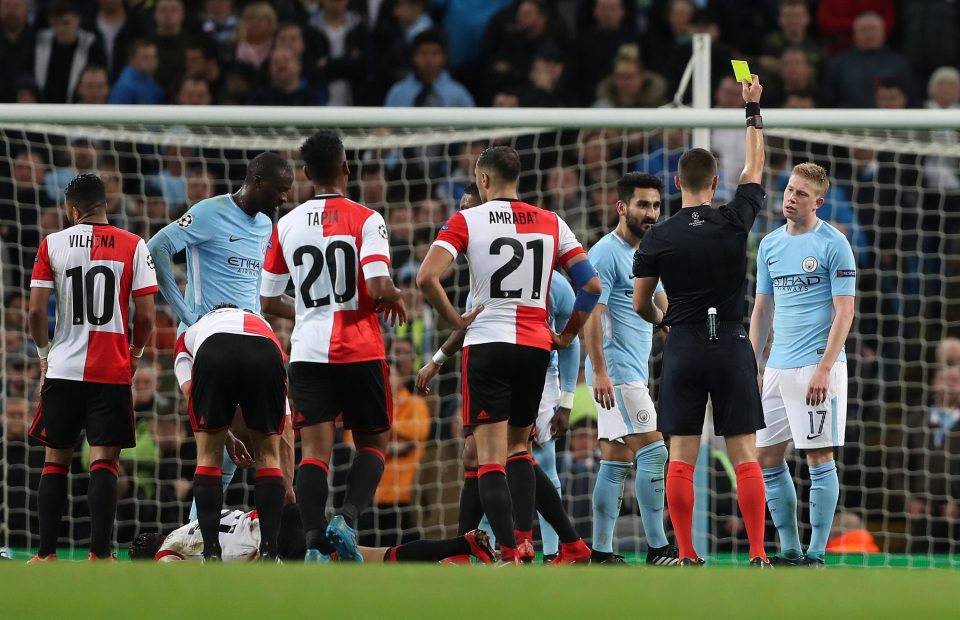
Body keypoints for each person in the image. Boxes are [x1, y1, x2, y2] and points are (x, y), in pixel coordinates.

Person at [416, 146, 601, 563]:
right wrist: (567, 335)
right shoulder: (553, 222)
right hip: (535, 347)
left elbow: (427, 277)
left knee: (488, 456)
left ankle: (508, 549)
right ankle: (567, 545)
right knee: (519, 449)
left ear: (482, 180)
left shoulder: (467, 219)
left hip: (487, 344)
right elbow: (590, 287)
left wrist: (455, 321)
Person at [631, 74, 769, 566]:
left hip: (684, 346)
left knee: (682, 455)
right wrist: (752, 109)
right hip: (731, 343)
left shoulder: (658, 237)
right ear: (714, 183)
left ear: (675, 183)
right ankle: (757, 553)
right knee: (744, 454)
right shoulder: (734, 219)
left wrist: (663, 318)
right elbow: (754, 166)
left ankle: (686, 553)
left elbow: (640, 304)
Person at [260, 130, 406, 563]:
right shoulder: (368, 218)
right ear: (346, 167)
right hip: (360, 350)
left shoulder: (285, 224)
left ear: (305, 174)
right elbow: (379, 285)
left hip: (308, 353)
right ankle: (346, 517)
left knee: (315, 454)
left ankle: (312, 542)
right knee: (373, 446)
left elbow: (268, 300)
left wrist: (307, 310)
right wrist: (393, 295)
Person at [147, 151, 294, 518]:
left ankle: (206, 536)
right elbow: (156, 248)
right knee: (219, 445)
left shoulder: (265, 226)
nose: (285, 198)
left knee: (242, 449)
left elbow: (258, 290)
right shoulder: (209, 212)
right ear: (257, 182)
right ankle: (203, 537)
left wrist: (311, 307)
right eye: (280, 189)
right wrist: (187, 316)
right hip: (208, 342)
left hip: (250, 339)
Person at [26, 174, 157, 561]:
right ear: (106, 205)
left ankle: (45, 554)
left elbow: (35, 311)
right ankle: (100, 555)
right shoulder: (134, 245)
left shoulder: (52, 243)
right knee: (104, 462)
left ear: (73, 210)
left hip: (63, 368)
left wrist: (44, 355)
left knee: (55, 462)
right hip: (110, 370)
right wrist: (134, 354)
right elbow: (146, 316)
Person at [750, 162, 856, 567]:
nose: (791, 198)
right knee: (768, 460)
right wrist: (754, 364)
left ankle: (816, 553)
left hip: (816, 367)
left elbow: (844, 312)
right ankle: (791, 550)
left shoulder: (834, 243)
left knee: (818, 458)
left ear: (819, 202)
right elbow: (762, 309)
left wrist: (826, 369)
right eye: (789, 190)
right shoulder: (769, 245)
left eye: (801, 194)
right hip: (776, 368)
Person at [583, 172, 677, 566]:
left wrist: (675, 323)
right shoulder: (605, 253)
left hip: (632, 371)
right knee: (654, 453)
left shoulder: (644, 252)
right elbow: (590, 314)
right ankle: (658, 548)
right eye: (643, 204)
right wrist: (601, 370)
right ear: (622, 207)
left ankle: (601, 552)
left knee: (616, 459)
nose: (651, 213)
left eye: (656, 205)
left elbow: (661, 301)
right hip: (616, 372)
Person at [172, 305, 289, 561]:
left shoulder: (193, 331)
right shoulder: (263, 324)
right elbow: (281, 381)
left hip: (214, 351)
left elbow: (191, 390)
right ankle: (270, 551)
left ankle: (211, 552)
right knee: (268, 457)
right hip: (266, 352)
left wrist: (222, 434)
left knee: (208, 458)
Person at [129, 506, 495, 564]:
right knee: (383, 556)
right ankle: (463, 543)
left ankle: (338, 554)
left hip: (277, 545)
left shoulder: (168, 555)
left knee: (362, 565)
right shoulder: (196, 522)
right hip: (285, 520)